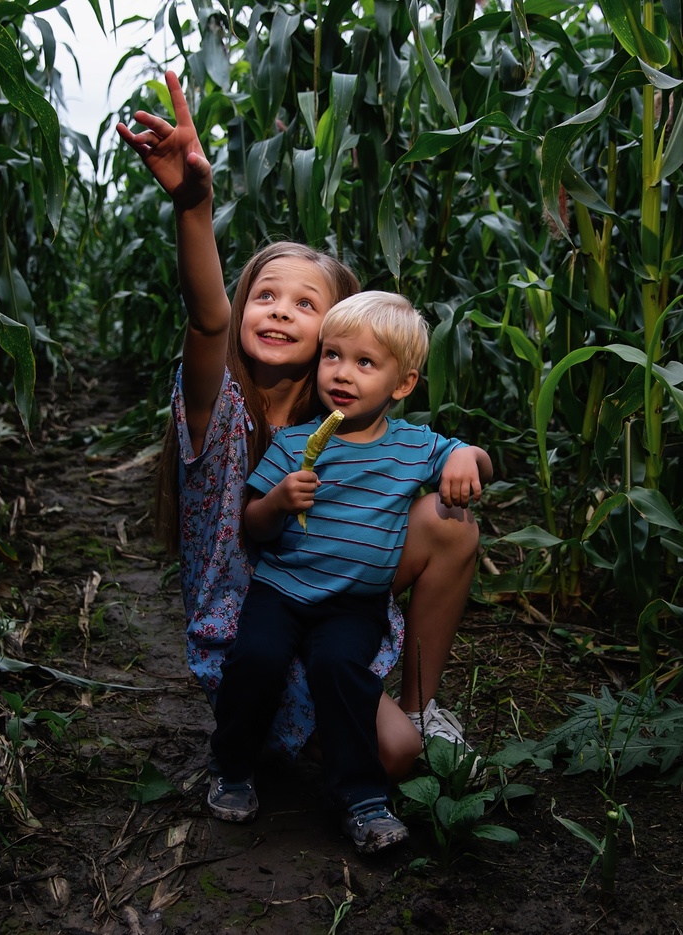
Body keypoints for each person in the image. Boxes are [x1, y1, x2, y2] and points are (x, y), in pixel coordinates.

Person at [115, 70, 481, 784]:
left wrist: (462, 457)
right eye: (266, 294)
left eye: (306, 304)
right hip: (249, 633)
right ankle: (283, 735)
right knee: (384, 759)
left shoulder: (344, 419)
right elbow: (208, 314)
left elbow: (411, 474)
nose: (280, 311)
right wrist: (195, 205)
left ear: (336, 332)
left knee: (452, 523)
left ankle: (420, 704)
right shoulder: (215, 413)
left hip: (330, 611)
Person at [207, 292, 492, 853]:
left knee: (342, 671)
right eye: (332, 356)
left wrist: (468, 456)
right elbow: (255, 527)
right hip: (282, 589)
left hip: (353, 605)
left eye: (366, 363)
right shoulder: (294, 445)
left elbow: (472, 459)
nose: (342, 373)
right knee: (256, 659)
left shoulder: (416, 447)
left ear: (403, 384)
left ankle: (362, 801)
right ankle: (232, 767)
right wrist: (279, 501)